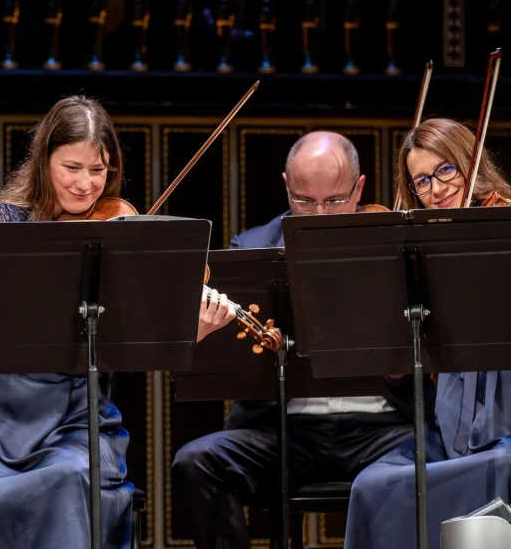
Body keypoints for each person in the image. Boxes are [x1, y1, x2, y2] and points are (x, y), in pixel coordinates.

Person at [0, 96, 235, 549]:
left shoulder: (115, 231)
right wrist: (38, 278)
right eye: (71, 168)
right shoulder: (5, 219)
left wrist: (187, 333)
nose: (85, 185)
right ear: (44, 161)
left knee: (68, 479)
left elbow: (134, 342)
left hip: (76, 423)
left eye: (98, 170)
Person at [172, 131, 418, 549]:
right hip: (285, 432)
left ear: (359, 188)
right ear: (287, 186)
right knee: (196, 462)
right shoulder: (251, 247)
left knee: (446, 458)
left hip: (382, 430)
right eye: (304, 200)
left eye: (334, 201)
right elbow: (229, 363)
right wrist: (201, 334)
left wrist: (397, 362)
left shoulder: (395, 243)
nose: (318, 215)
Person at [344, 118, 511, 549]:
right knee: (371, 486)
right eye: (422, 181)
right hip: (447, 432)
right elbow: (411, 381)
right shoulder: (422, 249)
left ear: (469, 163)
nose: (436, 189)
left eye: (446, 170)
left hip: (505, 427)